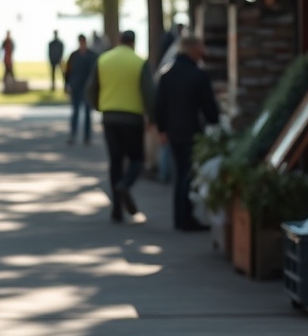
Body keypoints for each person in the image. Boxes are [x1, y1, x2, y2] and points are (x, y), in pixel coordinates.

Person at [154, 35, 220, 231]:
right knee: (187, 174)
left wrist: (162, 129)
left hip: (173, 132)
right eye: (201, 49)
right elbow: (210, 108)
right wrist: (214, 122)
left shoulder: (167, 74)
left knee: (179, 173)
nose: (204, 53)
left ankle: (179, 217)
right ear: (193, 50)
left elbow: (159, 105)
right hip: (192, 130)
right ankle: (186, 217)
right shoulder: (198, 75)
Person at [87, 30, 154, 222]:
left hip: (110, 117)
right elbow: (149, 93)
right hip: (132, 118)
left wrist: (100, 106)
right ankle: (125, 184)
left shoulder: (104, 60)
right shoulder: (139, 62)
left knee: (115, 161)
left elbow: (90, 89)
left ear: (119, 41)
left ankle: (116, 209)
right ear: (134, 42)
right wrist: (152, 118)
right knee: (136, 159)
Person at [64, 34, 97, 145]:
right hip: (76, 87)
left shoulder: (92, 55)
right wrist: (67, 85)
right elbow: (68, 72)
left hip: (87, 88)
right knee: (75, 112)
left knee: (88, 113)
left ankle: (87, 137)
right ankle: (73, 134)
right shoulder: (73, 56)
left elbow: (95, 72)